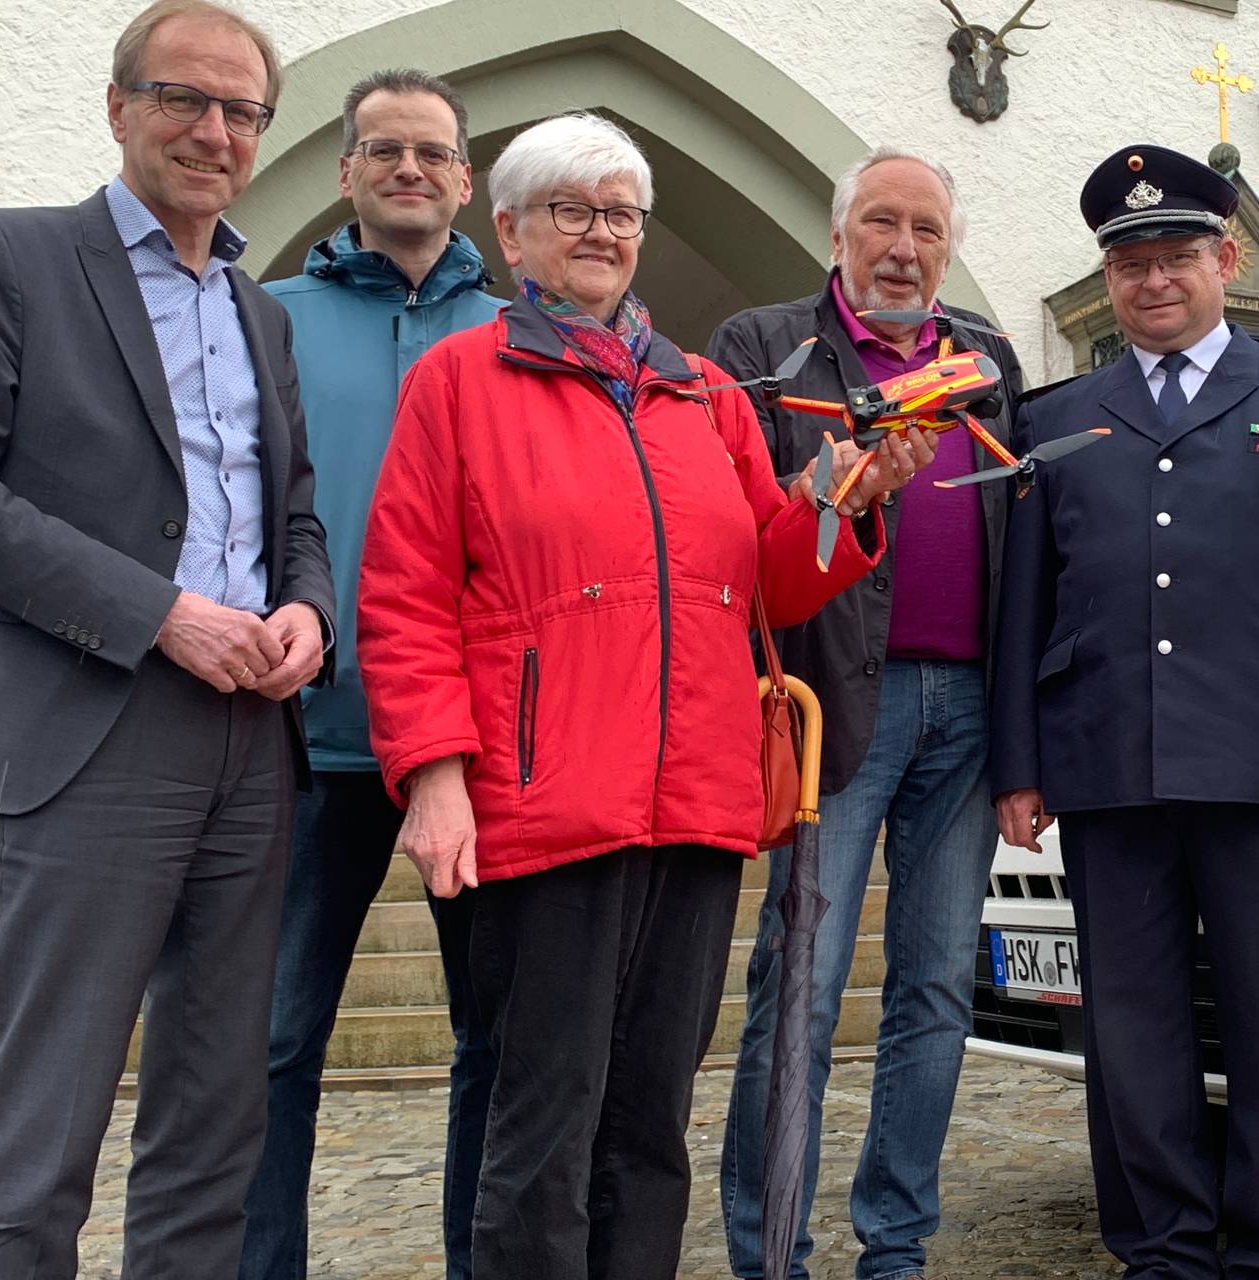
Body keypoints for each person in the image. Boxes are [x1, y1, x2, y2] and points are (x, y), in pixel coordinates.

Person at [355, 112, 928, 1279]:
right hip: (541, 798)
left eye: (619, 212)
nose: (601, 233)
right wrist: (434, 776)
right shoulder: (459, 379)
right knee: (543, 1118)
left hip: (695, 798)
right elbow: (404, 595)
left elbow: (763, 580)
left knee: (651, 1119)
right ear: (508, 230)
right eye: (571, 208)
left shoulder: (704, 395)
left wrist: (845, 501)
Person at [0, 2, 330, 1273]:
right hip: (88, 726)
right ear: (118, 104)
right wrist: (158, 612)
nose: (213, 129)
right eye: (184, 97)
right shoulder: (5, 257)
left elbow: (294, 511)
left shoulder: (260, 311)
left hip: (251, 740)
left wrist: (309, 610)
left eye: (242, 110)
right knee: (45, 1122)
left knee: (213, 1119)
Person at [990, 143, 1259, 1280]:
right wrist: (1015, 766)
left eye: (1176, 254)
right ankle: (1162, 1245)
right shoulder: (1053, 413)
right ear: (1106, 278)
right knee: (1131, 1027)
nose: (1152, 280)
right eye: (1129, 261)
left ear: (1222, 257)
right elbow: (1023, 602)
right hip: (1103, 757)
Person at [709, 147, 1025, 1280]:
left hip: (970, 703)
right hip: (837, 697)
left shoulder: (984, 354)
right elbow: (731, 518)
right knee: (800, 981)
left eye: (926, 229)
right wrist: (824, 491)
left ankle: (894, 1245)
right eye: (881, 223)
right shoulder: (762, 347)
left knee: (936, 984)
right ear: (835, 235)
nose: (903, 248)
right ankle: (769, 1250)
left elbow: (1018, 533)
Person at [238, 68, 505, 1280]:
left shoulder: (516, 335)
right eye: (382, 149)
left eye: (431, 152)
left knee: (494, 1043)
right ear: (346, 171)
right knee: (272, 1043)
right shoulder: (266, 316)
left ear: (465, 180)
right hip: (303, 737)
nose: (408, 167)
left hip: (479, 745)